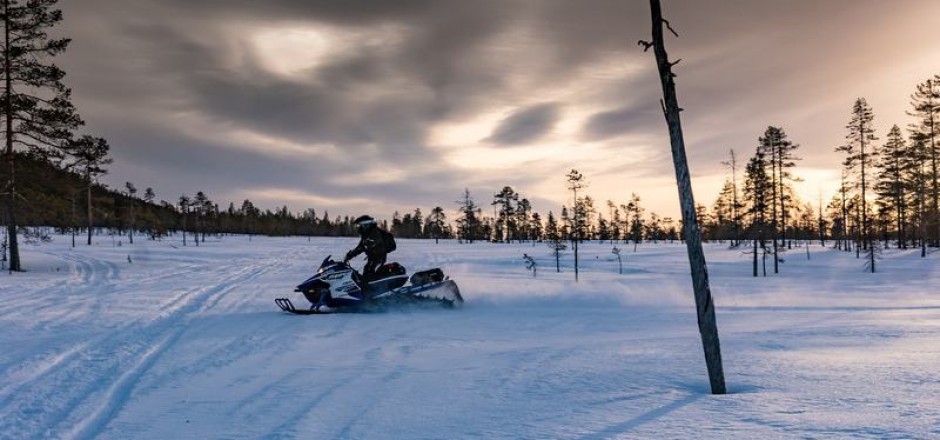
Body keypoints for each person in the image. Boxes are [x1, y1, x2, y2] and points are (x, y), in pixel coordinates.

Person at [344, 215, 395, 282]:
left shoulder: (374, 233)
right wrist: (350, 255)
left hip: (378, 258)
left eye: (359, 226)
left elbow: (369, 244)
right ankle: (369, 290)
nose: (358, 228)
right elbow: (360, 247)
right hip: (373, 259)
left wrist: (368, 244)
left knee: (369, 276)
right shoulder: (366, 235)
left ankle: (377, 290)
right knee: (366, 274)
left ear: (366, 225)